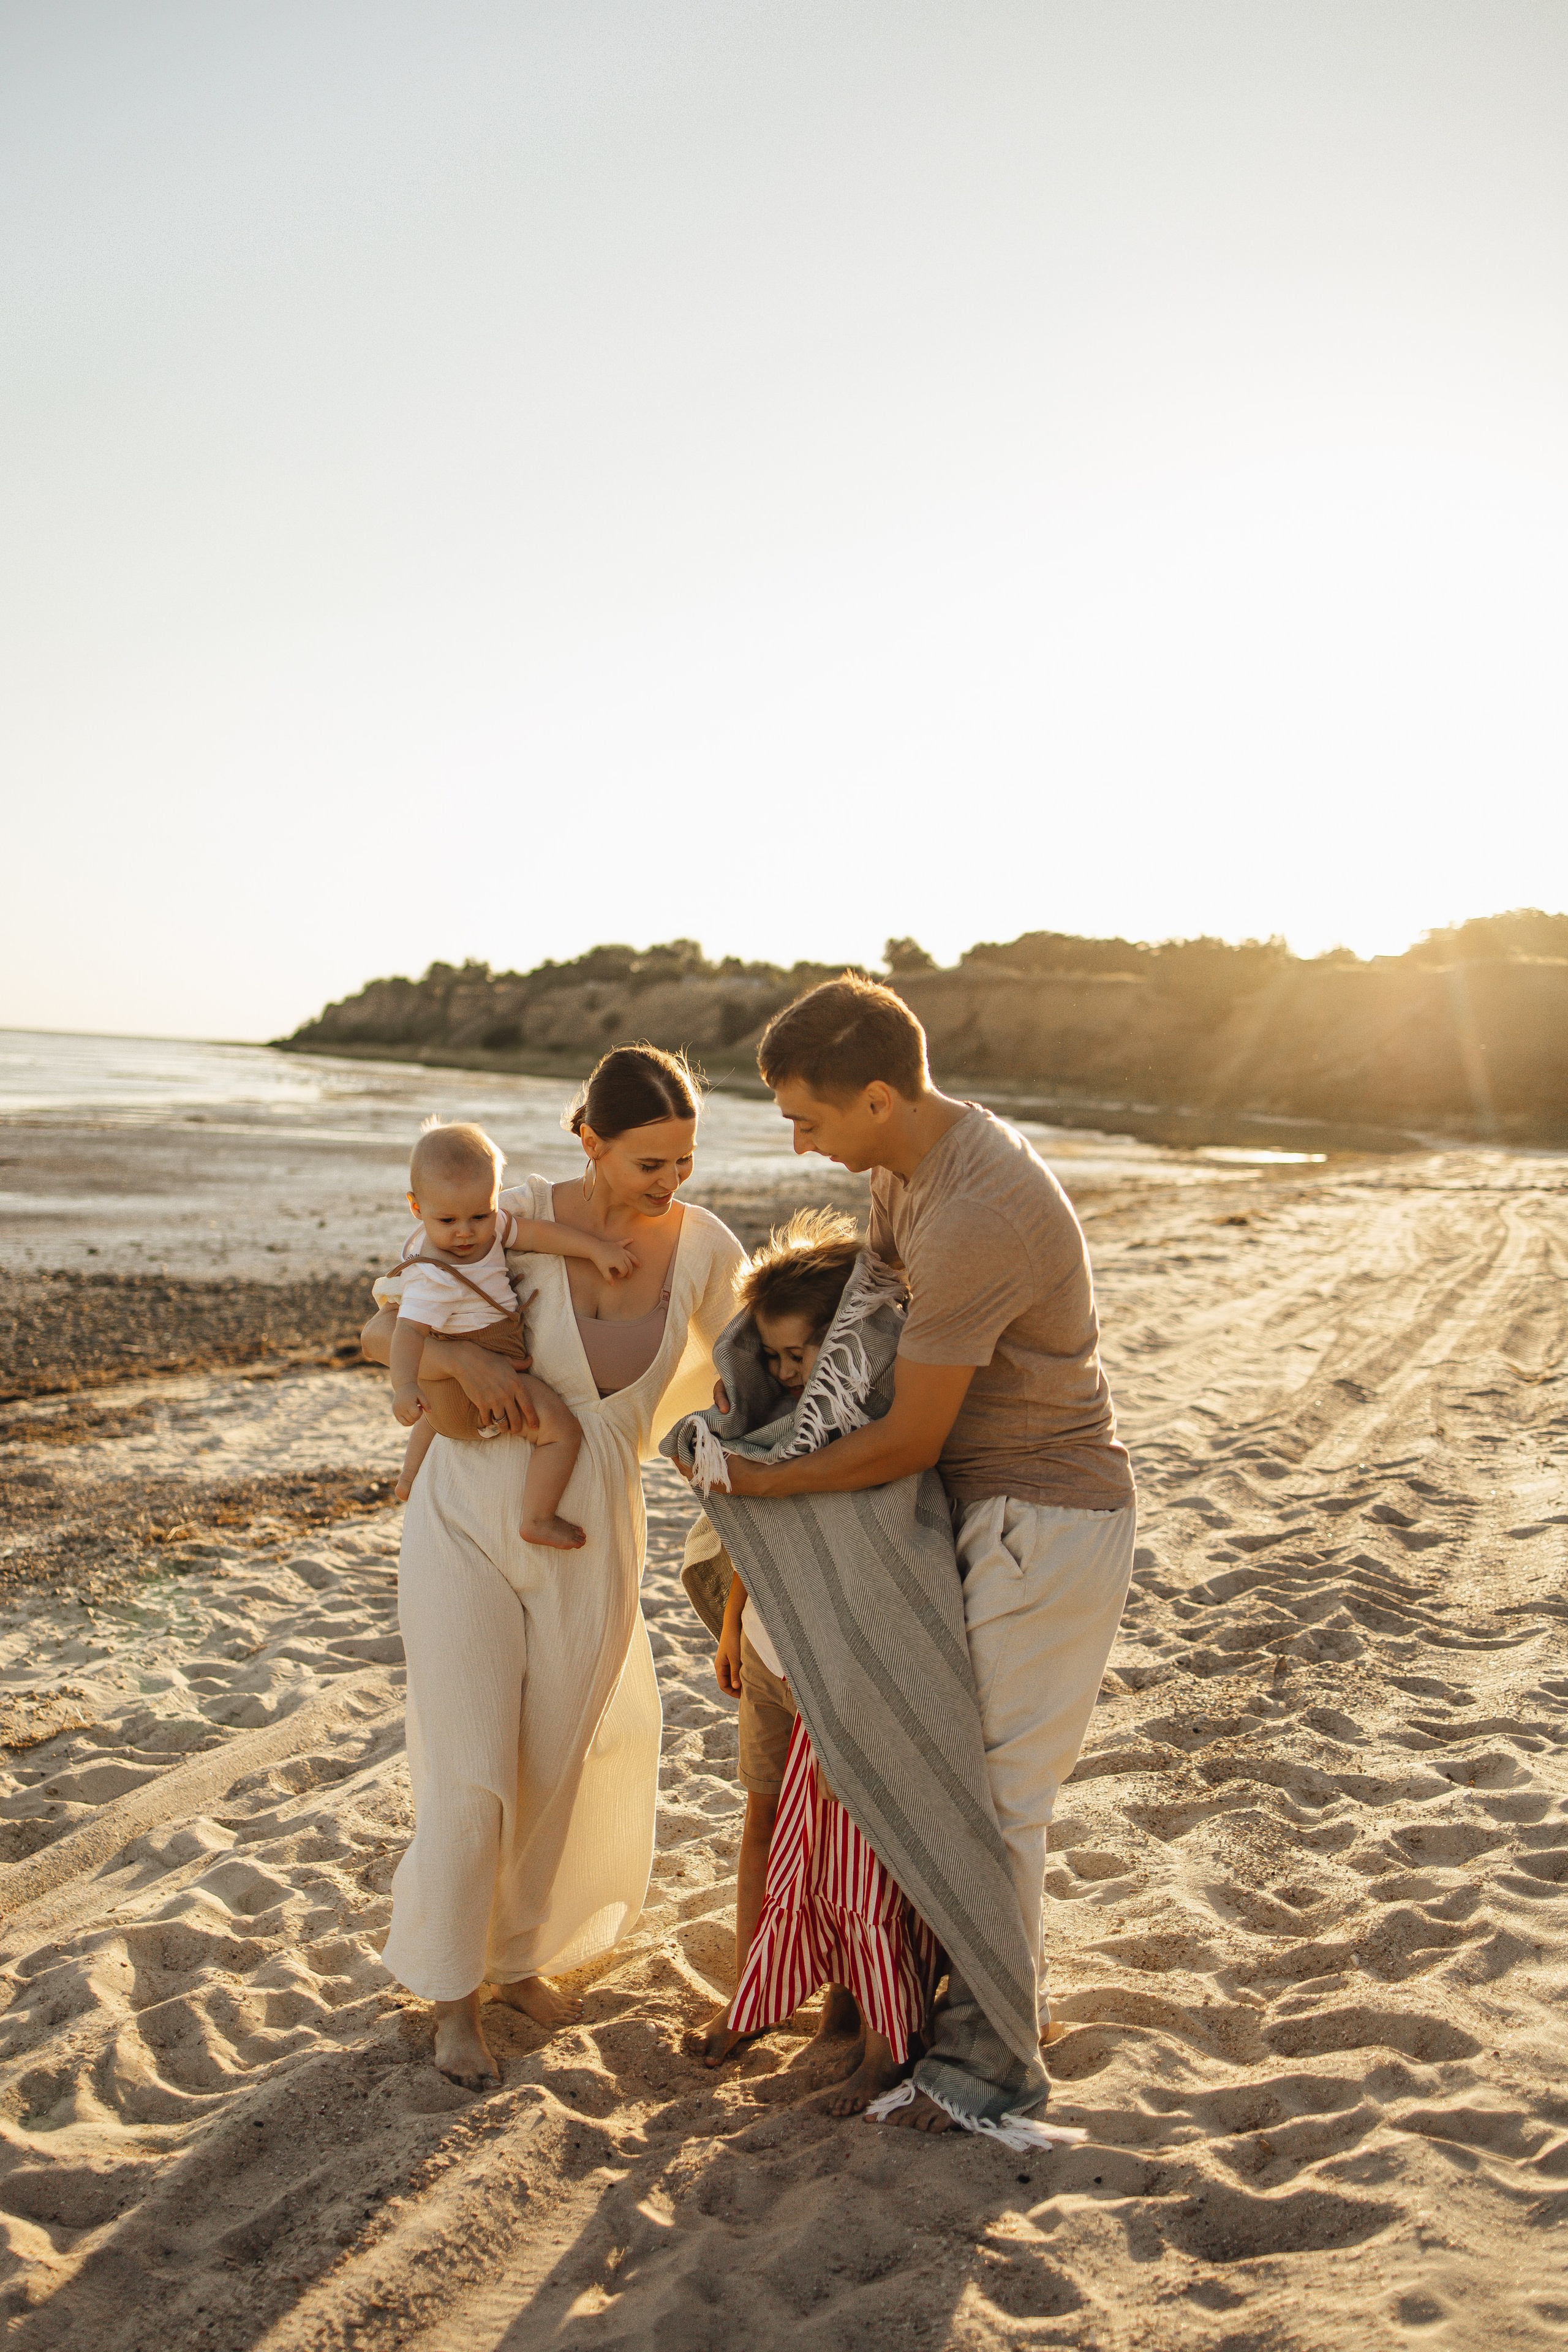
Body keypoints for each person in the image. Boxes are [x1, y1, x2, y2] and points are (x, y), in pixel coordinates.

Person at [707, 974, 1137, 2139]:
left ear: (884, 1096)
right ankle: (961, 2014)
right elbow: (860, 1346)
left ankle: (987, 2058)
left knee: (996, 1802)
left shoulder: (977, 1210)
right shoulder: (904, 1171)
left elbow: (907, 1432)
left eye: (811, 1116)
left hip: (1044, 1522)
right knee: (941, 1778)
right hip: (971, 1510)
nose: (799, 1140)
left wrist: (764, 1482)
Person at [361, 1045, 747, 2088]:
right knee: (472, 1763)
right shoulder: (509, 1216)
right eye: (649, 1162)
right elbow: (377, 1326)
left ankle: (520, 1954)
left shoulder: (708, 1251)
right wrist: (466, 1361)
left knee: (553, 1761)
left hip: (594, 1536)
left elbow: (757, 1377)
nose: (672, 1182)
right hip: (465, 1519)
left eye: (685, 1159)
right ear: (590, 1140)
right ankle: (453, 2001)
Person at [693, 1211, 937, 2106]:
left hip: (839, 1663)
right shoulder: (771, 1419)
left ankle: (868, 2018)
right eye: (778, 1358)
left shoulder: (863, 1427)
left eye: (801, 1355)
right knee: (762, 1821)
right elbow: (757, 1536)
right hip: (766, 1654)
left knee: (857, 1841)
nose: (789, 1373)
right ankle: (752, 1996)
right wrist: (730, 1626)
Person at [370, 1116, 636, 1544]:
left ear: (496, 1199)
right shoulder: (432, 1275)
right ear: (416, 1208)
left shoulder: (490, 1231)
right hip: (478, 1386)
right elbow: (407, 1334)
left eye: (481, 1214)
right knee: (561, 1431)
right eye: (448, 1222)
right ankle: (537, 1518)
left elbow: (537, 1235)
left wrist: (595, 1250)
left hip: (439, 1406)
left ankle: (409, 1477)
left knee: (431, 1418)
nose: (465, 1233)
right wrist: (402, 1387)